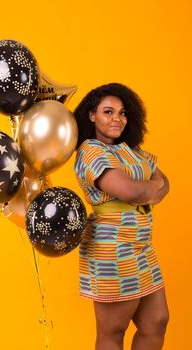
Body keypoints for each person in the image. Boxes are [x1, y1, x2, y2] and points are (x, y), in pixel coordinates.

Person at [73, 83, 170, 350]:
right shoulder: (91, 150)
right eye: (108, 111)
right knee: (113, 330)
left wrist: (146, 191)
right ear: (92, 115)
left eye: (123, 112)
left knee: (157, 321)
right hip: (112, 248)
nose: (117, 118)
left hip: (141, 245)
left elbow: (166, 184)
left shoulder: (130, 149)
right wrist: (150, 189)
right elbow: (132, 191)